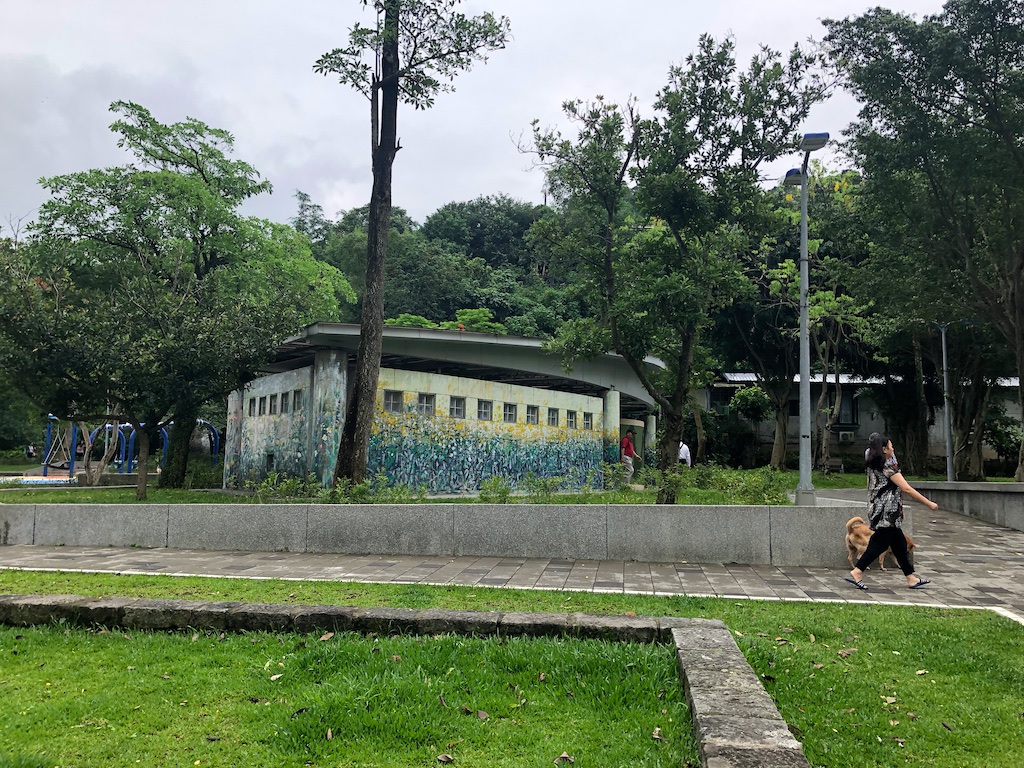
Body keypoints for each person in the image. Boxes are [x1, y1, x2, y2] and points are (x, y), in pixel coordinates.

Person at [846, 433, 937, 591]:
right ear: (883, 449)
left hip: (879, 510)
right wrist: (928, 503)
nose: (893, 449)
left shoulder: (872, 464)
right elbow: (906, 488)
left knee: (899, 544)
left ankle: (911, 578)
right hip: (887, 512)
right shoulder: (888, 468)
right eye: (890, 446)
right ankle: (857, 571)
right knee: (879, 544)